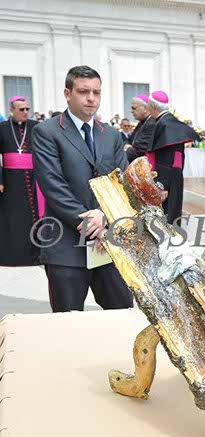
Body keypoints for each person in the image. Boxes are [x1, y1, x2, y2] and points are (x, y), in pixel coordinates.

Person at [32, 65, 133, 313]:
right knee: (68, 320)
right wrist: (90, 222)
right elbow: (53, 186)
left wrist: (104, 216)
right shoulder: (47, 132)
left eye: (96, 92)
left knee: (122, 314)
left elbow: (121, 183)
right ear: (68, 94)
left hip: (108, 242)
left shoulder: (111, 135)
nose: (91, 98)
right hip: (66, 244)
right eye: (83, 91)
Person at [146, 90, 199, 225]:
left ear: (152, 107)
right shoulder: (169, 121)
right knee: (171, 213)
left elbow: (167, 157)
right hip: (173, 176)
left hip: (166, 178)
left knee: (166, 217)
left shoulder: (164, 124)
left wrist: (162, 185)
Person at [0, 95, 41, 265]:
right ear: (11, 110)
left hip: (33, 178)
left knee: (32, 215)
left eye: (27, 109)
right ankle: (12, 255)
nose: (25, 112)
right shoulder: (2, 128)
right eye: (21, 109)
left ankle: (35, 254)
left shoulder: (35, 127)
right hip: (10, 181)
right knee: (12, 217)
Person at [123, 94, 155, 163]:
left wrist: (124, 153)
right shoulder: (141, 123)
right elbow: (129, 140)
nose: (131, 111)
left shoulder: (151, 124)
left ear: (145, 108)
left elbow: (139, 151)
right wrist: (126, 146)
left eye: (134, 108)